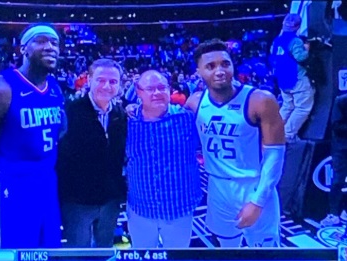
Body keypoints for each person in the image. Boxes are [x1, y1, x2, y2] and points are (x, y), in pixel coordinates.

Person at [0, 24, 66, 248]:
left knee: (49, 254)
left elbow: (58, 132)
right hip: (9, 192)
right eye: (41, 41)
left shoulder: (54, 88)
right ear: (23, 49)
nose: (50, 47)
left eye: (55, 43)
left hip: (46, 187)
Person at [186, 39, 285, 247]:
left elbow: (274, 157)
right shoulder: (195, 102)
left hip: (254, 184)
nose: (220, 70)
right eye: (210, 66)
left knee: (264, 252)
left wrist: (257, 201)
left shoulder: (260, 100)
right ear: (199, 71)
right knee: (226, 249)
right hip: (217, 186)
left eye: (225, 63)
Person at [125, 70, 201, 248]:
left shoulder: (188, 118)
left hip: (179, 208)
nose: (157, 93)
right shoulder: (126, 122)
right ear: (138, 92)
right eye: (150, 89)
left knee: (177, 257)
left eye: (162, 88)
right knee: (143, 256)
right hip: (141, 207)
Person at [57, 59, 127, 248]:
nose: (107, 86)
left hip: (110, 200)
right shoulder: (69, 111)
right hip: (77, 201)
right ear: (89, 80)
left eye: (113, 82)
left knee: (104, 249)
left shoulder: (120, 115)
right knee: (78, 251)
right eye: (101, 80)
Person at [270, 14, 314, 143]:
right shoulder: (296, 41)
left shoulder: (277, 40)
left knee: (287, 106)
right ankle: (288, 134)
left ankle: (275, 131)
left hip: (282, 79)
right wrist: (307, 49)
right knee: (302, 107)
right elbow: (301, 57)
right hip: (296, 78)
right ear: (298, 27)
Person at [320, 93, 347, 226]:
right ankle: (333, 214)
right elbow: (336, 125)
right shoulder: (341, 101)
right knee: (337, 181)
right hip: (341, 148)